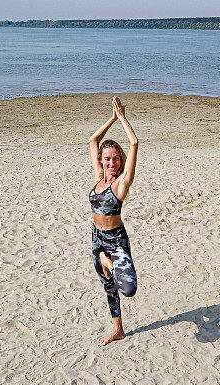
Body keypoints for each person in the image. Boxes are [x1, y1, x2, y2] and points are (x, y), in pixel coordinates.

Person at [89, 96, 139, 346]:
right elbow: (93, 140)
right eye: (107, 158)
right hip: (96, 237)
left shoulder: (120, 184)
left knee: (128, 289)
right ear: (101, 160)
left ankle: (106, 259)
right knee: (108, 287)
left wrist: (122, 119)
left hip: (115, 240)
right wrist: (110, 118)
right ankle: (118, 329)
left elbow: (134, 142)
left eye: (116, 159)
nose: (112, 162)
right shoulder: (99, 177)